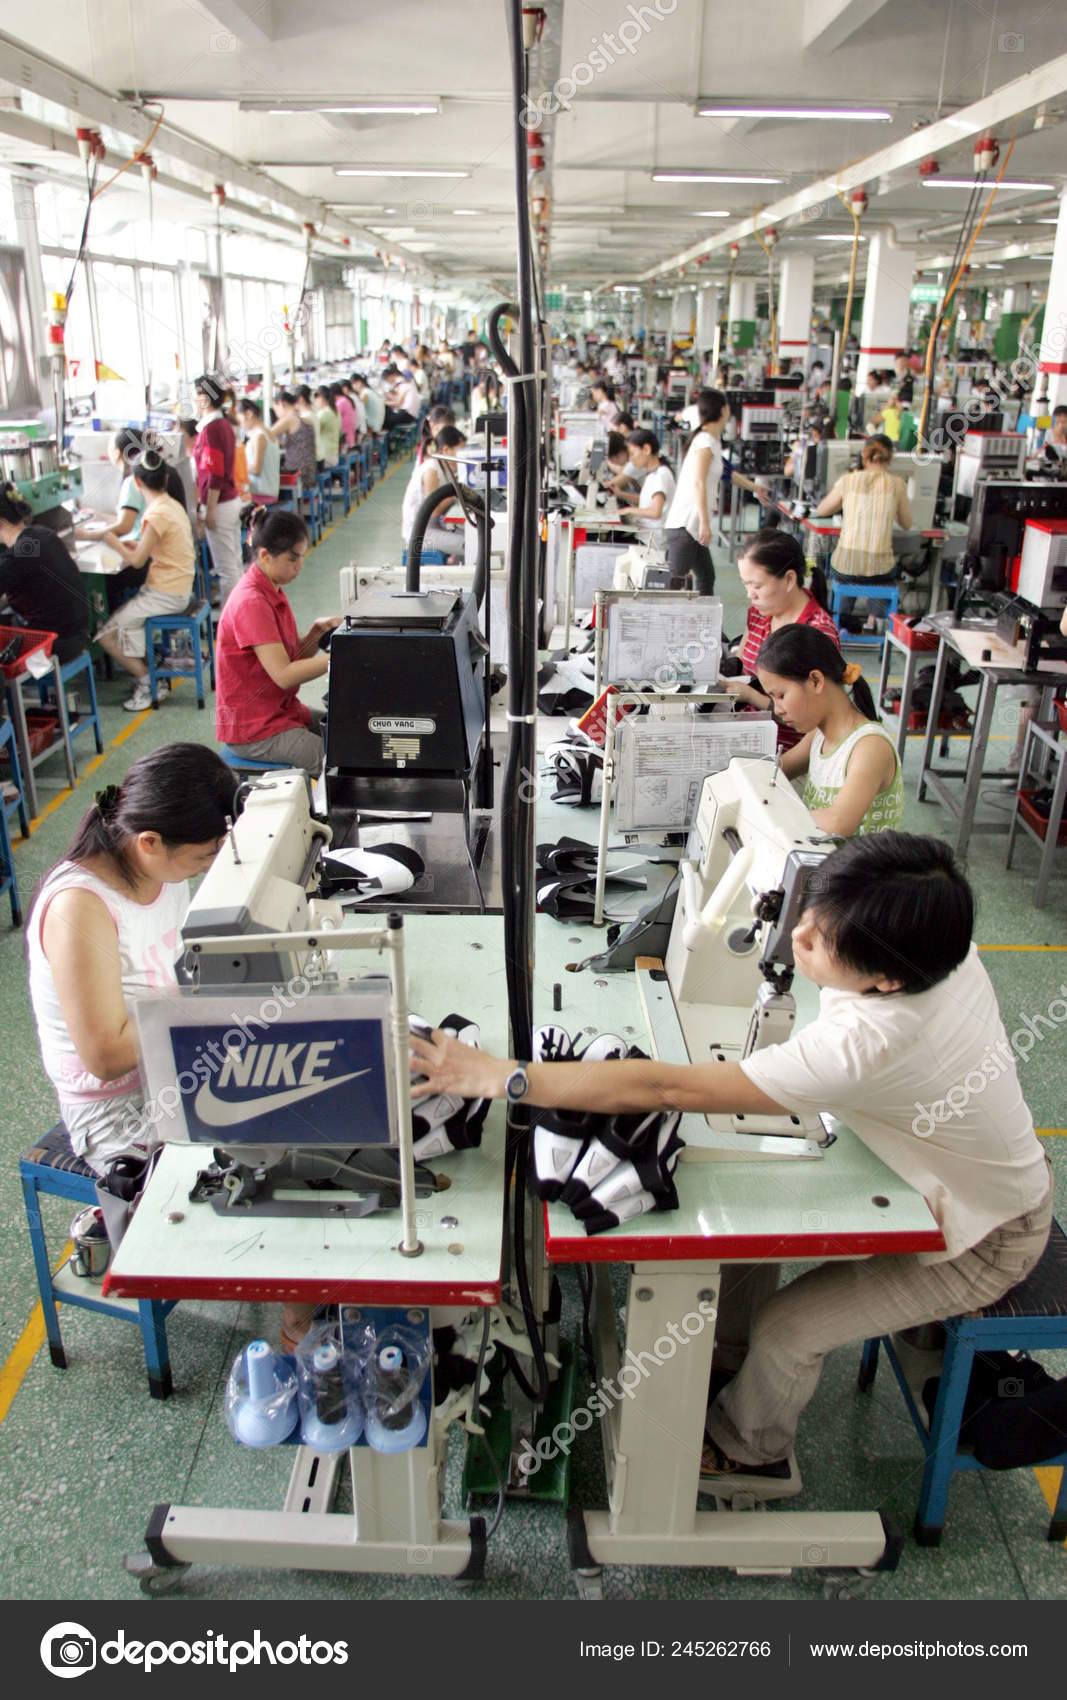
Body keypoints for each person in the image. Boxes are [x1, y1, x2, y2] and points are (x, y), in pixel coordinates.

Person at [409, 830, 1052, 1483]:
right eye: (808, 909)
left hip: (989, 1234)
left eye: (817, 940)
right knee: (750, 1248)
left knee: (787, 1330)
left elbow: (666, 1089)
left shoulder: (865, 1045)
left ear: (884, 979)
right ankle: (722, 1354)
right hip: (953, 1169)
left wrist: (504, 1077)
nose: (796, 933)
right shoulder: (940, 947)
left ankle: (747, 1444)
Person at [27, 741, 236, 1174]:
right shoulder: (80, 909)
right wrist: (214, 1006)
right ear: (150, 842)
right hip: (113, 1108)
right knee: (220, 1173)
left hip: (172, 1058)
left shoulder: (162, 869)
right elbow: (104, 1058)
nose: (209, 865)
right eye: (204, 855)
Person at [214, 507, 340, 775]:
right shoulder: (252, 602)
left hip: (277, 711)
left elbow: (290, 660)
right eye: (293, 558)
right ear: (264, 556)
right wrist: (338, 659)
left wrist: (315, 636)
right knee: (337, 762)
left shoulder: (271, 590)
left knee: (345, 733)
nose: (300, 566)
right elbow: (284, 675)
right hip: (254, 728)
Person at [756, 624, 902, 836]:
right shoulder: (818, 735)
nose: (778, 709)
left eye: (781, 696)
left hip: (861, 869)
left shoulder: (870, 747)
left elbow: (837, 823)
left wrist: (768, 813)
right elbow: (774, 771)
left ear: (815, 681)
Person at [96, 450, 197, 712]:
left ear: (137, 483)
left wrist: (113, 541)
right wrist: (136, 545)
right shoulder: (171, 505)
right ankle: (148, 674)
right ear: (165, 476)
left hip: (167, 593)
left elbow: (138, 561)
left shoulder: (156, 514)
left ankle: (148, 682)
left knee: (107, 634)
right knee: (126, 619)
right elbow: (155, 547)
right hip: (177, 586)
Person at [722, 531, 840, 751]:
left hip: (784, 754)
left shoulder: (817, 634)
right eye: (745, 585)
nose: (750, 594)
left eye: (757, 586)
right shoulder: (759, 614)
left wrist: (753, 697)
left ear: (789, 580)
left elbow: (816, 725)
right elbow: (741, 669)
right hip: (744, 736)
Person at [815, 434, 911, 627]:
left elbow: (822, 510)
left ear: (863, 456)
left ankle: (841, 620)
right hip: (880, 571)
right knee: (886, 569)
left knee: (843, 568)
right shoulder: (897, 484)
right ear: (890, 459)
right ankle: (876, 620)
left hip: (846, 568)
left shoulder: (848, 480)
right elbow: (907, 524)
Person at [0, 484, 90, 664]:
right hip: (79, 633)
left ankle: (14, 690)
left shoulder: (16, 557)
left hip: (55, 643)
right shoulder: (43, 534)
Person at [663, 388, 730, 595]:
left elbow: (724, 472)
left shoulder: (710, 438)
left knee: (706, 578)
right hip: (686, 525)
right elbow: (699, 483)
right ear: (724, 410)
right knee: (672, 585)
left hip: (693, 527)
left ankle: (708, 626)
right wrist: (705, 524)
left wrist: (754, 487)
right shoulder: (705, 441)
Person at [193, 373, 243, 607]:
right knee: (234, 562)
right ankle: (239, 613)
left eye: (196, 395)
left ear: (204, 398)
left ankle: (230, 620)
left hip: (220, 504)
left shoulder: (211, 429)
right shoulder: (222, 423)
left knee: (226, 569)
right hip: (229, 502)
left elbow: (214, 472)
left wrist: (209, 509)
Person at [400, 425, 466, 562]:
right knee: (469, 544)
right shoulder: (431, 470)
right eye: (460, 452)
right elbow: (435, 511)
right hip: (420, 533)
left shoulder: (445, 468)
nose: (463, 457)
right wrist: (456, 493)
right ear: (446, 450)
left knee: (472, 535)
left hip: (433, 526)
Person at [615, 430, 675, 550]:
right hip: (645, 536)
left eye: (632, 453)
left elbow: (655, 512)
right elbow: (646, 500)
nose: (631, 459)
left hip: (652, 542)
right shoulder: (653, 474)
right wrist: (621, 494)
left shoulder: (661, 475)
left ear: (647, 449)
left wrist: (628, 510)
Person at [269, 390, 318, 491]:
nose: (277, 414)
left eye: (276, 410)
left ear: (282, 404)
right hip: (310, 470)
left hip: (298, 473)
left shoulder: (289, 419)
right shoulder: (304, 419)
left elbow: (266, 435)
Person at [236, 399, 281, 503]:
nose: (240, 423)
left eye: (239, 417)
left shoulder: (259, 436)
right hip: (269, 491)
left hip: (261, 494)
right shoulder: (267, 432)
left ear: (248, 414)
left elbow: (256, 469)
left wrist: (238, 467)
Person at [313, 386, 342, 468]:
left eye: (316, 399)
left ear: (321, 398)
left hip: (325, 457)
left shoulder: (324, 413)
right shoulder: (336, 412)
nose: (315, 402)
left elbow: (312, 432)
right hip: (333, 455)